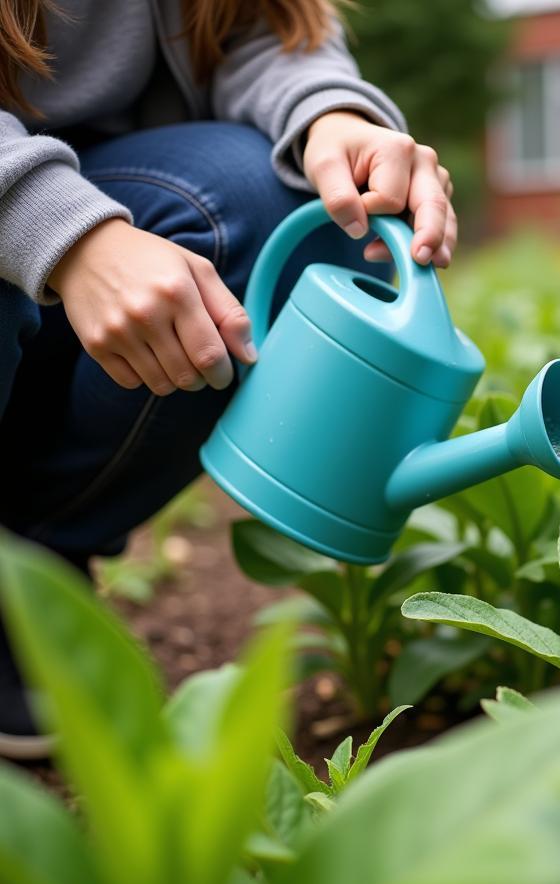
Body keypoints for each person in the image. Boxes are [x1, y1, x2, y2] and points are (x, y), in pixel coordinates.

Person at [0, 0, 456, 759]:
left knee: (276, 211)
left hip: (117, 180)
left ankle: (26, 572)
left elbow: (259, 30)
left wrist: (330, 116)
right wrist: (64, 233)